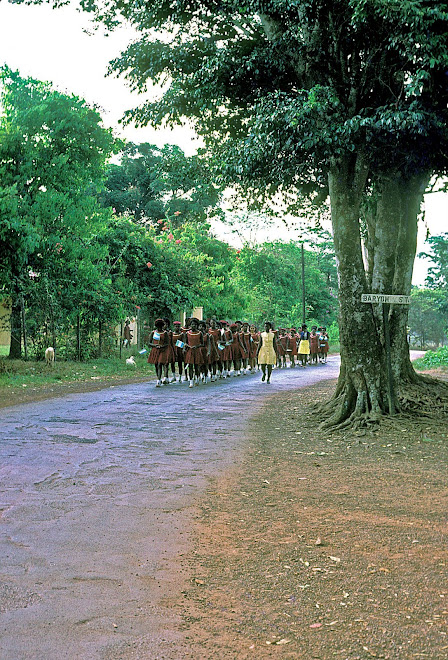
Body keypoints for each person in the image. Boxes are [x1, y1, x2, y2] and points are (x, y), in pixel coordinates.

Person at [147, 318, 172, 387]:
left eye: (160, 326)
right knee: (156, 364)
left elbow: (167, 343)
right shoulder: (153, 333)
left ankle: (159, 380)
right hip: (155, 350)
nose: (159, 327)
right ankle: (159, 378)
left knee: (160, 364)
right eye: (158, 326)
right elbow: (149, 343)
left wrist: (162, 346)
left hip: (163, 350)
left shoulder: (165, 333)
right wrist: (155, 345)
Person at [182, 318, 205, 388]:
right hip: (190, 351)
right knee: (190, 366)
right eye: (192, 324)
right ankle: (191, 381)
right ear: (190, 325)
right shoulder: (187, 333)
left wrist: (197, 346)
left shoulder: (200, 333)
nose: (193, 326)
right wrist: (185, 347)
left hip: (197, 351)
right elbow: (185, 342)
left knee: (197, 366)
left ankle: (197, 378)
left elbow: (202, 343)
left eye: (195, 325)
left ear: (197, 325)